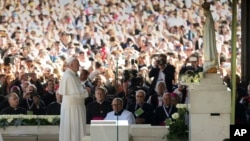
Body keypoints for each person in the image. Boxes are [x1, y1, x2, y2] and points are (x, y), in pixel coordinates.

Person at [58, 57, 89, 141]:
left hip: (76, 107)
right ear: (71, 65)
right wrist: (87, 91)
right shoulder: (69, 76)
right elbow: (76, 94)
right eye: (77, 64)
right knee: (73, 131)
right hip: (72, 109)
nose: (79, 66)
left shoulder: (73, 74)